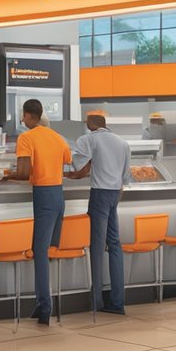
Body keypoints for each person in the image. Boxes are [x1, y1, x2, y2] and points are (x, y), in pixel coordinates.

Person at [2, 99, 72, 325]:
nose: (22, 120)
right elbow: (66, 164)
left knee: (39, 252)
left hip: (43, 196)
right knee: (48, 251)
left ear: (28, 116)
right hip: (59, 196)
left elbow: (23, 173)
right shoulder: (57, 137)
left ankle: (45, 308)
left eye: (23, 116)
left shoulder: (26, 138)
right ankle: (44, 304)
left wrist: (7, 175)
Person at [67, 111, 131, 315]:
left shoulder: (89, 139)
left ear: (89, 125)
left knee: (96, 246)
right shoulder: (122, 142)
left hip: (100, 194)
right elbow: (126, 176)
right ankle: (118, 302)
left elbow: (78, 167)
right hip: (115, 194)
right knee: (114, 245)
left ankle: (96, 301)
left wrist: (64, 173)